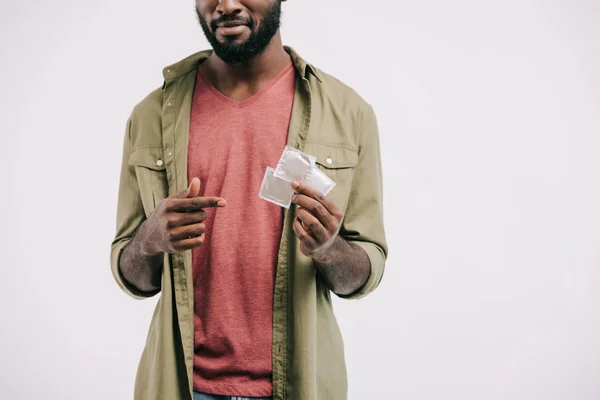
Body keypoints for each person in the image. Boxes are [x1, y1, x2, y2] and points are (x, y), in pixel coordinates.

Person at [110, 1, 388, 399]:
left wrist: (330, 248)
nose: (225, 5)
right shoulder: (151, 114)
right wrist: (149, 240)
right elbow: (131, 275)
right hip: (182, 387)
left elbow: (363, 273)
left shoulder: (348, 114)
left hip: (299, 386)